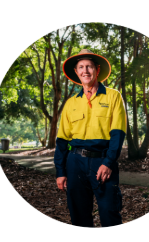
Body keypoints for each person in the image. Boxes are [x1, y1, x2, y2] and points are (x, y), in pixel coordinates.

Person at [54, 49, 127, 227]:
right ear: (77, 72)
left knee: (109, 213)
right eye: (81, 67)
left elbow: (118, 133)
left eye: (89, 66)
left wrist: (109, 162)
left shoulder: (113, 96)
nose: (85, 70)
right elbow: (62, 140)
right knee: (78, 216)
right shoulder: (71, 103)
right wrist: (61, 172)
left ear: (97, 69)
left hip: (102, 160)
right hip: (74, 163)